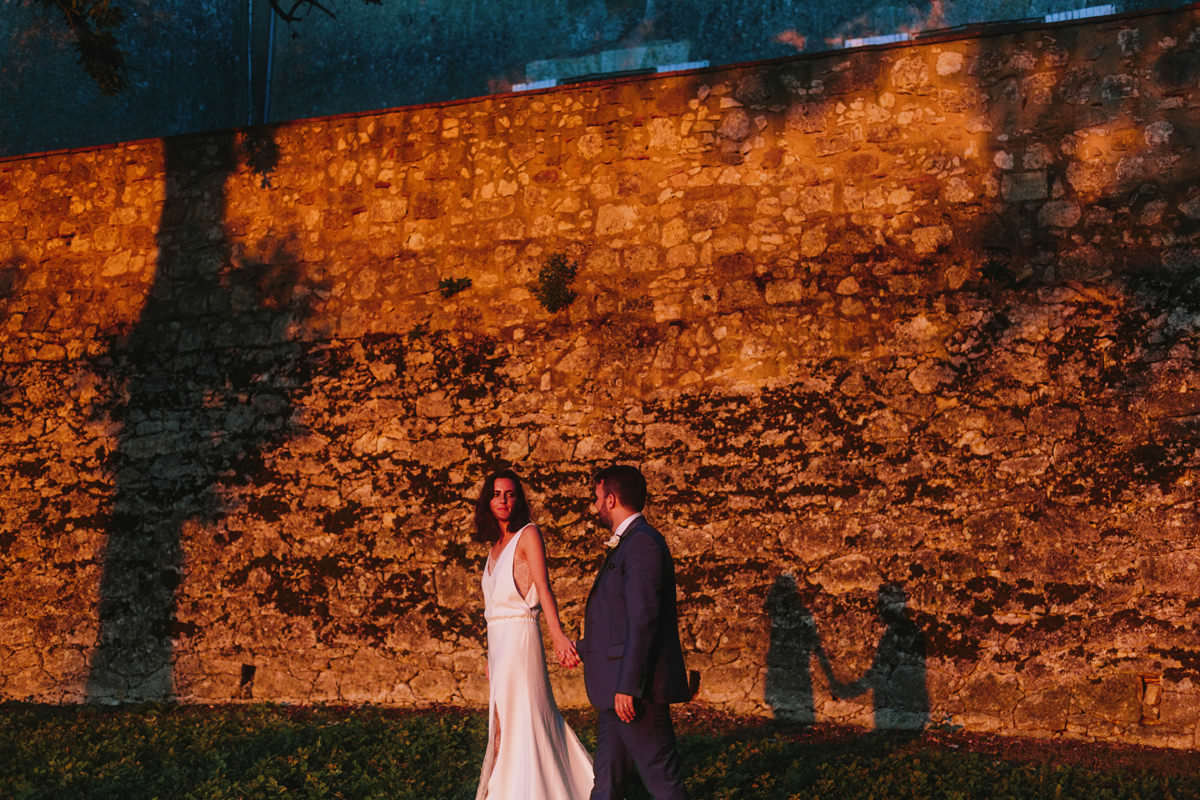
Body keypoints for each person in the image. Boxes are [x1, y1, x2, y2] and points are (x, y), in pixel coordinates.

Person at [474, 469, 594, 799]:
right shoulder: (494, 547)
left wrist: (558, 637)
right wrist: (489, 654)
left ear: (518, 500)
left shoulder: (528, 535)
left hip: (521, 640)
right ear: (488, 500)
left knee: (525, 720)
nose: (503, 500)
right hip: (500, 646)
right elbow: (492, 611)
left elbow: (543, 588)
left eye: (510, 494)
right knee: (500, 725)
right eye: (497, 494)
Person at [573, 465, 692, 800]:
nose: (595, 506)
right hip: (616, 689)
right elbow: (618, 623)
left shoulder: (642, 544)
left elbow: (644, 620)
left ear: (611, 499)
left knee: (663, 782)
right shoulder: (632, 543)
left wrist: (629, 685)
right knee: (607, 783)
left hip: (636, 693)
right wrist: (582, 648)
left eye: (597, 498)